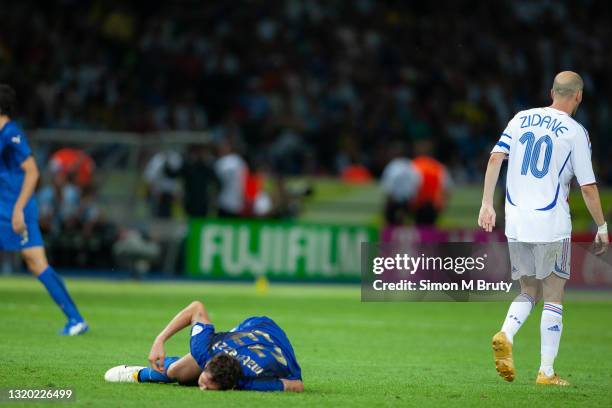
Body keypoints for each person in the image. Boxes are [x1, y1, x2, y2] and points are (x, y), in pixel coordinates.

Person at [478, 71, 608, 386]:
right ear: (578, 96)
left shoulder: (521, 118)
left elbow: (496, 159)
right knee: (553, 293)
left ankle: (506, 332)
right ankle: (546, 372)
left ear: (552, 91)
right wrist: (602, 224)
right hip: (551, 221)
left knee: (528, 290)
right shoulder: (576, 132)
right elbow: (588, 187)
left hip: (516, 219)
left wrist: (486, 204)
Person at [0, 84, 88, 335]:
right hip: (4, 206)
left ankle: (76, 319)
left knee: (36, 263)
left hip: (15, 208)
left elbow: (33, 171)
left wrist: (18, 210)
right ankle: (75, 319)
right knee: (35, 262)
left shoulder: (11, 134)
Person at [104, 300, 304, 392]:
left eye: (208, 388)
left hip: (276, 343)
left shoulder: (251, 382)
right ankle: (139, 374)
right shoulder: (204, 351)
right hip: (252, 328)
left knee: (184, 376)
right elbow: (196, 307)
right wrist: (160, 340)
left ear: (233, 387)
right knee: (177, 372)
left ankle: (145, 374)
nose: (203, 390)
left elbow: (297, 385)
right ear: (207, 364)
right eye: (205, 383)